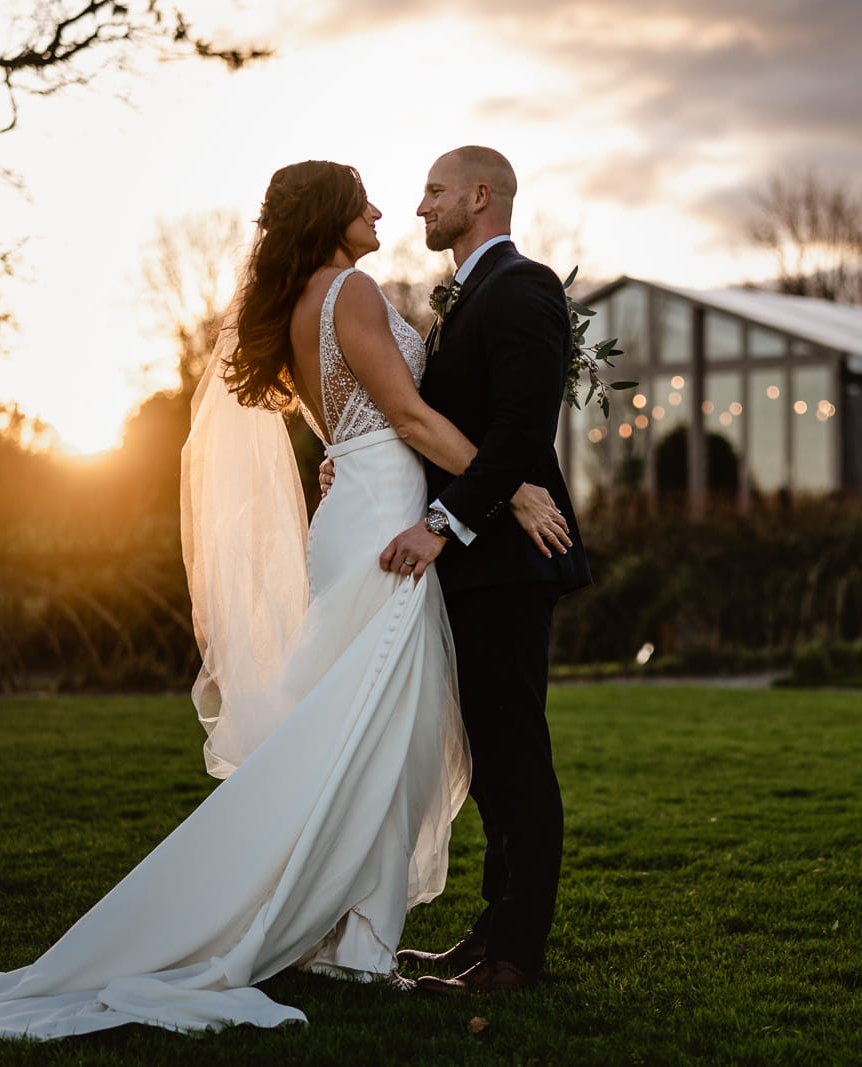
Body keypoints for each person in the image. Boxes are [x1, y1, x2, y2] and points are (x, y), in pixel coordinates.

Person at [0, 159, 570, 1039]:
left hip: (359, 506)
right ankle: (351, 935)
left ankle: (356, 934)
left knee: (366, 729)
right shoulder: (350, 289)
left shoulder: (296, 303)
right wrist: (513, 488)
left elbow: (361, 419)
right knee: (371, 732)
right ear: (330, 216)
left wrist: (364, 460)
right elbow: (415, 419)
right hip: (391, 518)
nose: (385, 208)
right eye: (364, 199)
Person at [352, 145, 593, 995]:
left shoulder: (524, 286)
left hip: (506, 566)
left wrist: (441, 525)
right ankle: (491, 933)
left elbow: (522, 433)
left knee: (515, 755)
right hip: (479, 568)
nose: (420, 206)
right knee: (491, 757)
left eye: (435, 191)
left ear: (480, 196)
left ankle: (518, 955)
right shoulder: (466, 296)